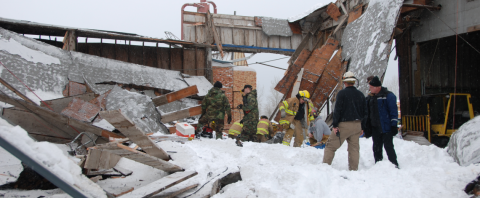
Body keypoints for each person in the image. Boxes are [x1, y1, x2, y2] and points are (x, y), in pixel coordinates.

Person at [322, 71, 366, 171]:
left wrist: (335, 125)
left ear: (344, 82)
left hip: (344, 125)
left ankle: (324, 168)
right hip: (357, 125)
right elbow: (365, 112)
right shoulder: (360, 95)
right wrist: (362, 126)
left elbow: (337, 110)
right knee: (354, 149)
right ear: (354, 82)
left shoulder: (342, 94)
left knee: (330, 146)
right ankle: (354, 170)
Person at [364, 76, 399, 168]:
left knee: (389, 147)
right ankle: (378, 165)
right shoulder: (370, 98)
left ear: (377, 87)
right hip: (375, 128)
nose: (369, 89)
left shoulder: (388, 96)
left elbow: (393, 112)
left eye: (371, 87)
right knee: (376, 148)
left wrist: (394, 125)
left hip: (386, 128)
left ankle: (394, 164)